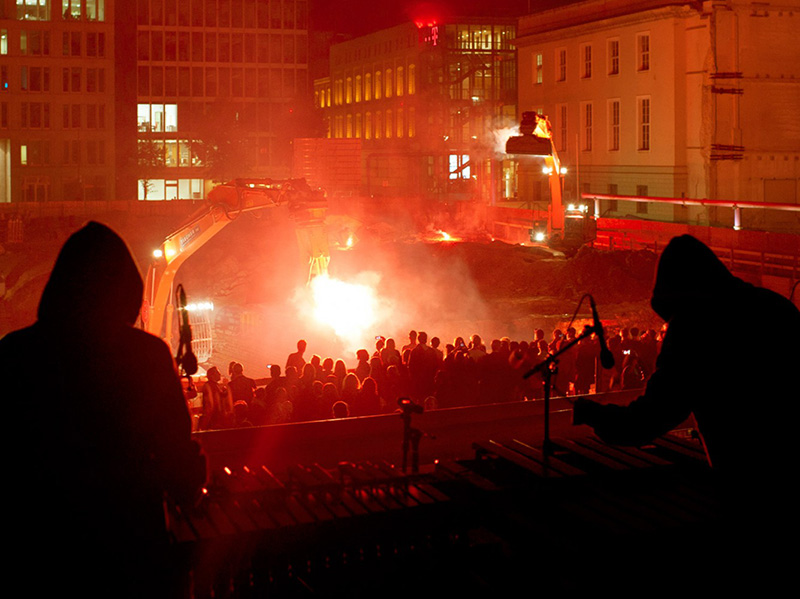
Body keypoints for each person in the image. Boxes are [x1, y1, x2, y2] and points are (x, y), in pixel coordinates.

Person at [573, 234, 800, 592]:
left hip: (749, 484)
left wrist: (596, 415)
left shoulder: (696, 326)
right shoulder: (774, 306)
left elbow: (648, 420)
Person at [0, 222, 206, 599]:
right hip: (130, 548)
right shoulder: (147, 355)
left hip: (38, 549)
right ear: (126, 289)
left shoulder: (13, 353)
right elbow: (177, 455)